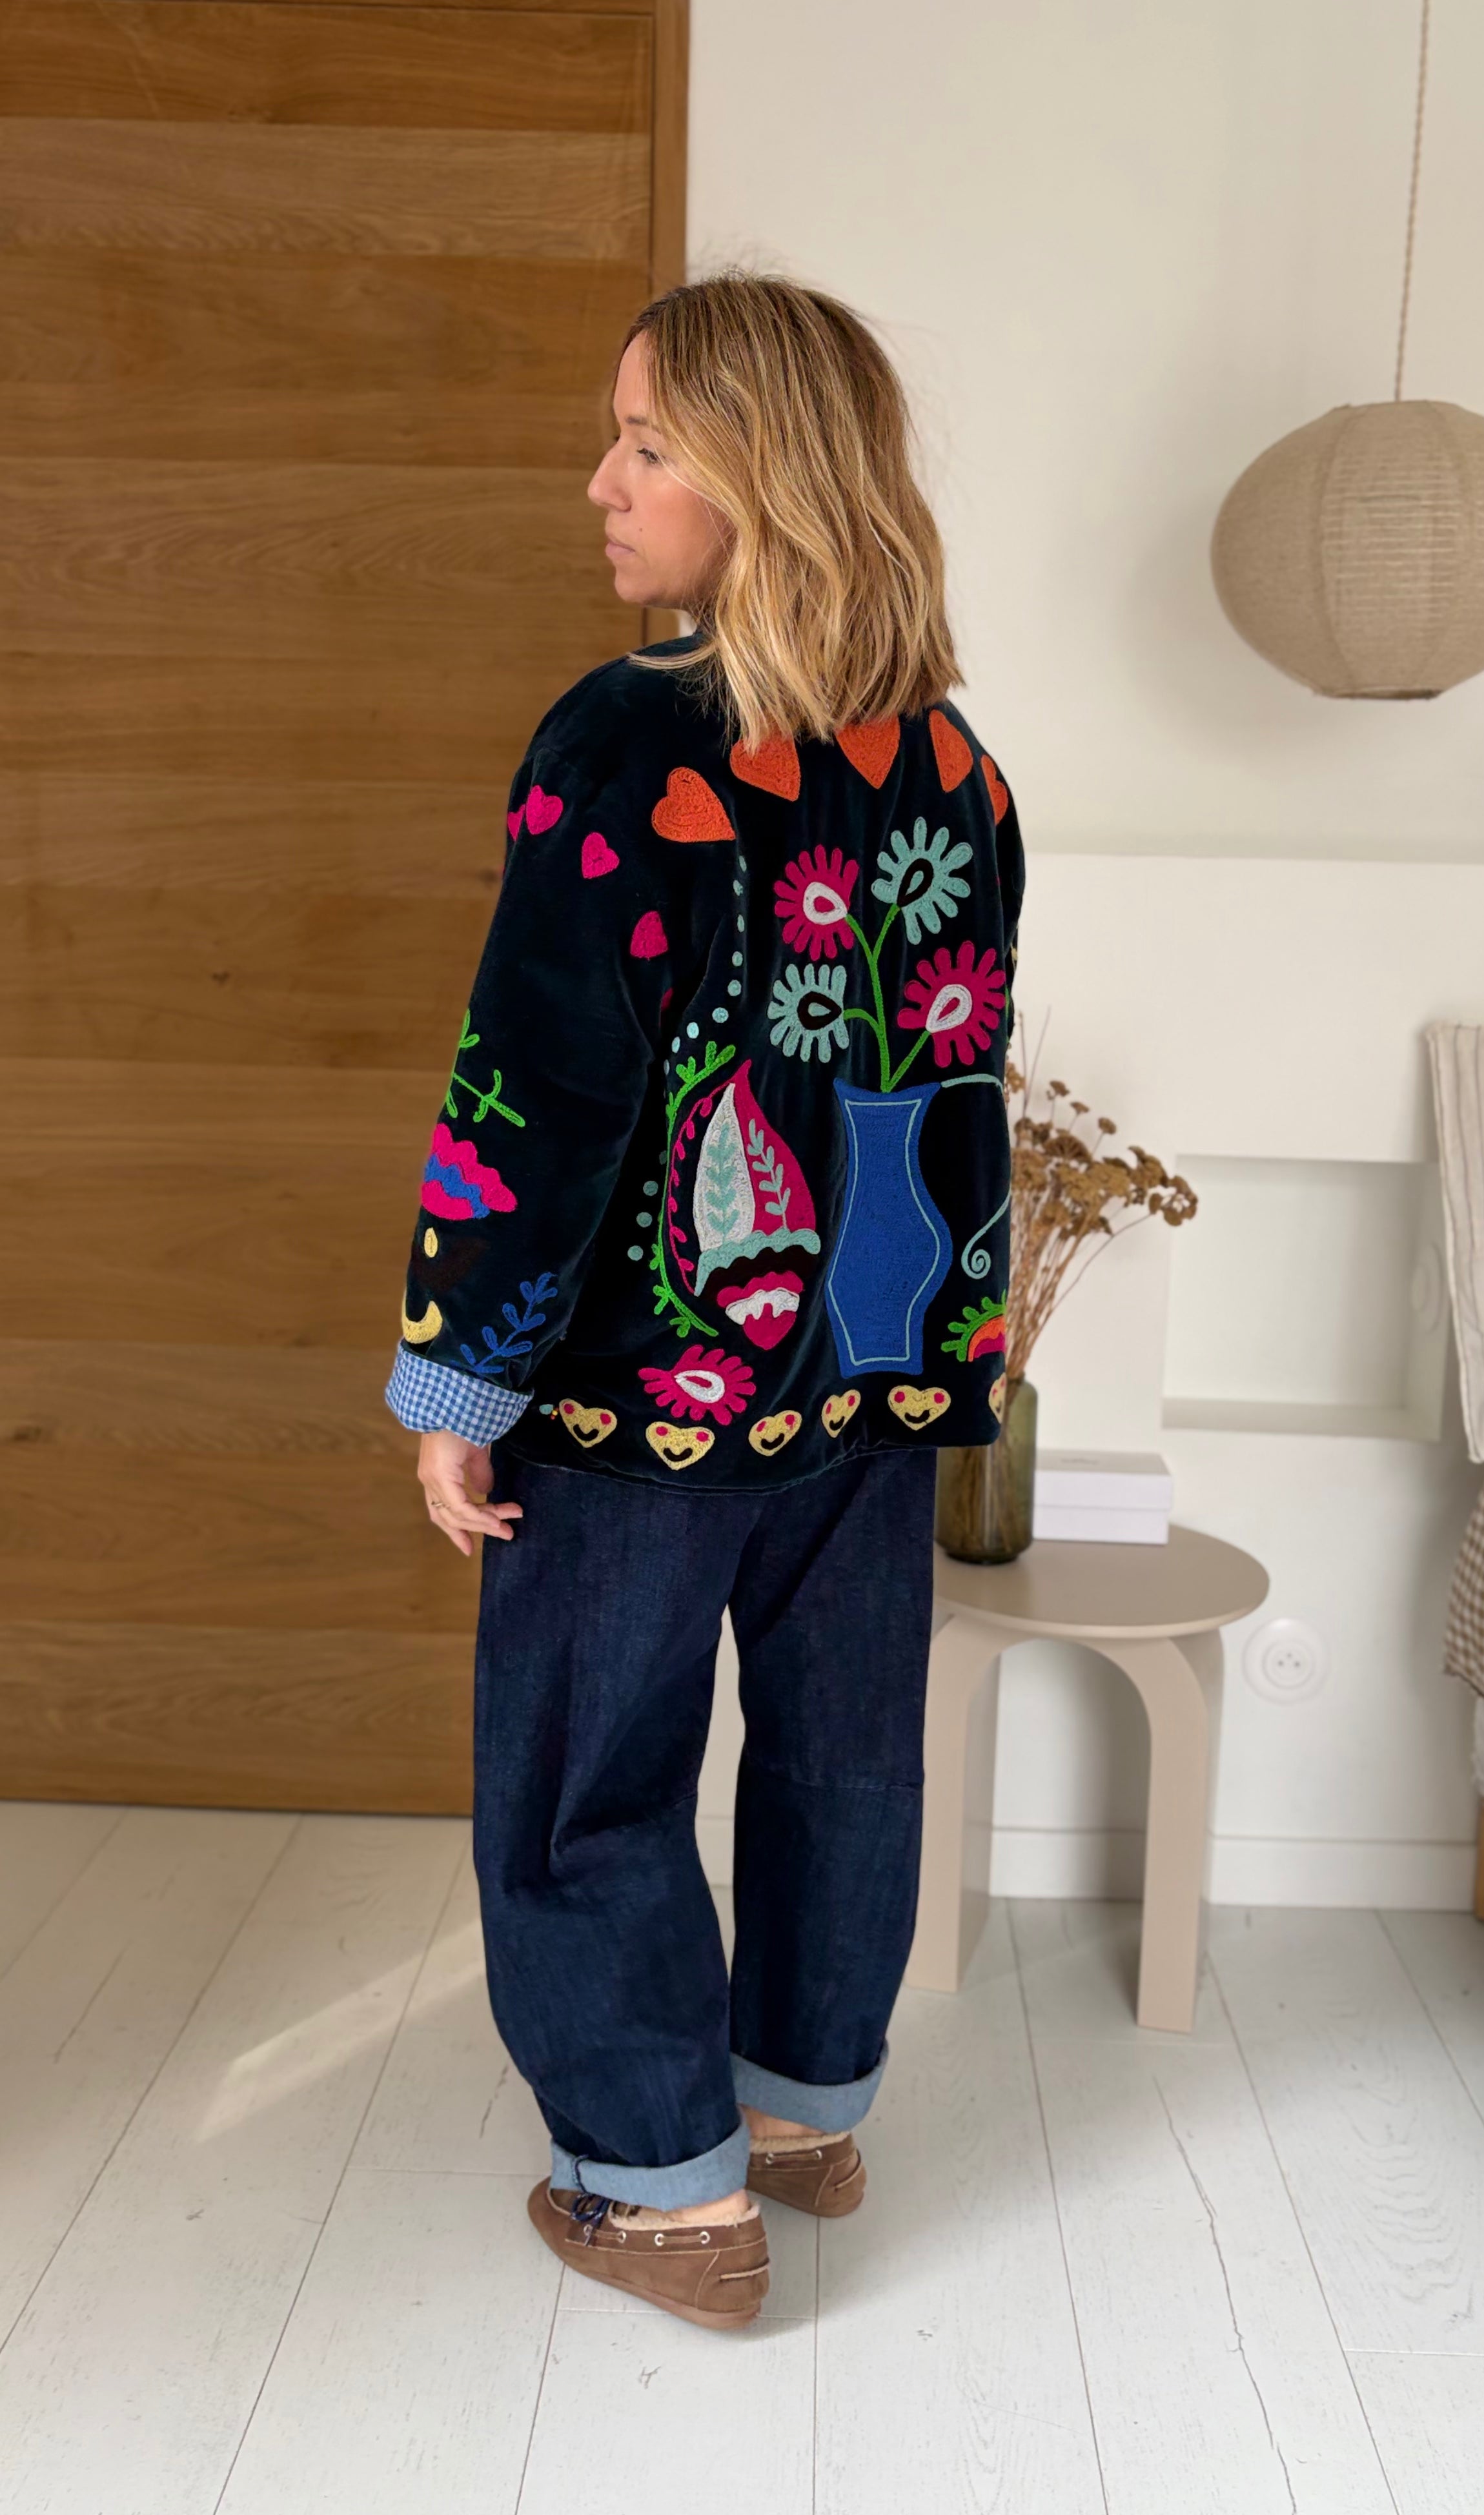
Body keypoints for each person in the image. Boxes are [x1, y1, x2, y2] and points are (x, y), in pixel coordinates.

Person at [385, 270, 1024, 2331]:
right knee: (844, 1750)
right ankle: (801, 2111)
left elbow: (540, 1088)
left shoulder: (620, 740)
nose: (603, 480)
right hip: (871, 1366)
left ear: (766, 472)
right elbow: (953, 1074)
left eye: (647, 442)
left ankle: (663, 2187)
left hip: (641, 1382)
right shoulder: (953, 766)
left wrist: (459, 1379)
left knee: (586, 1768)